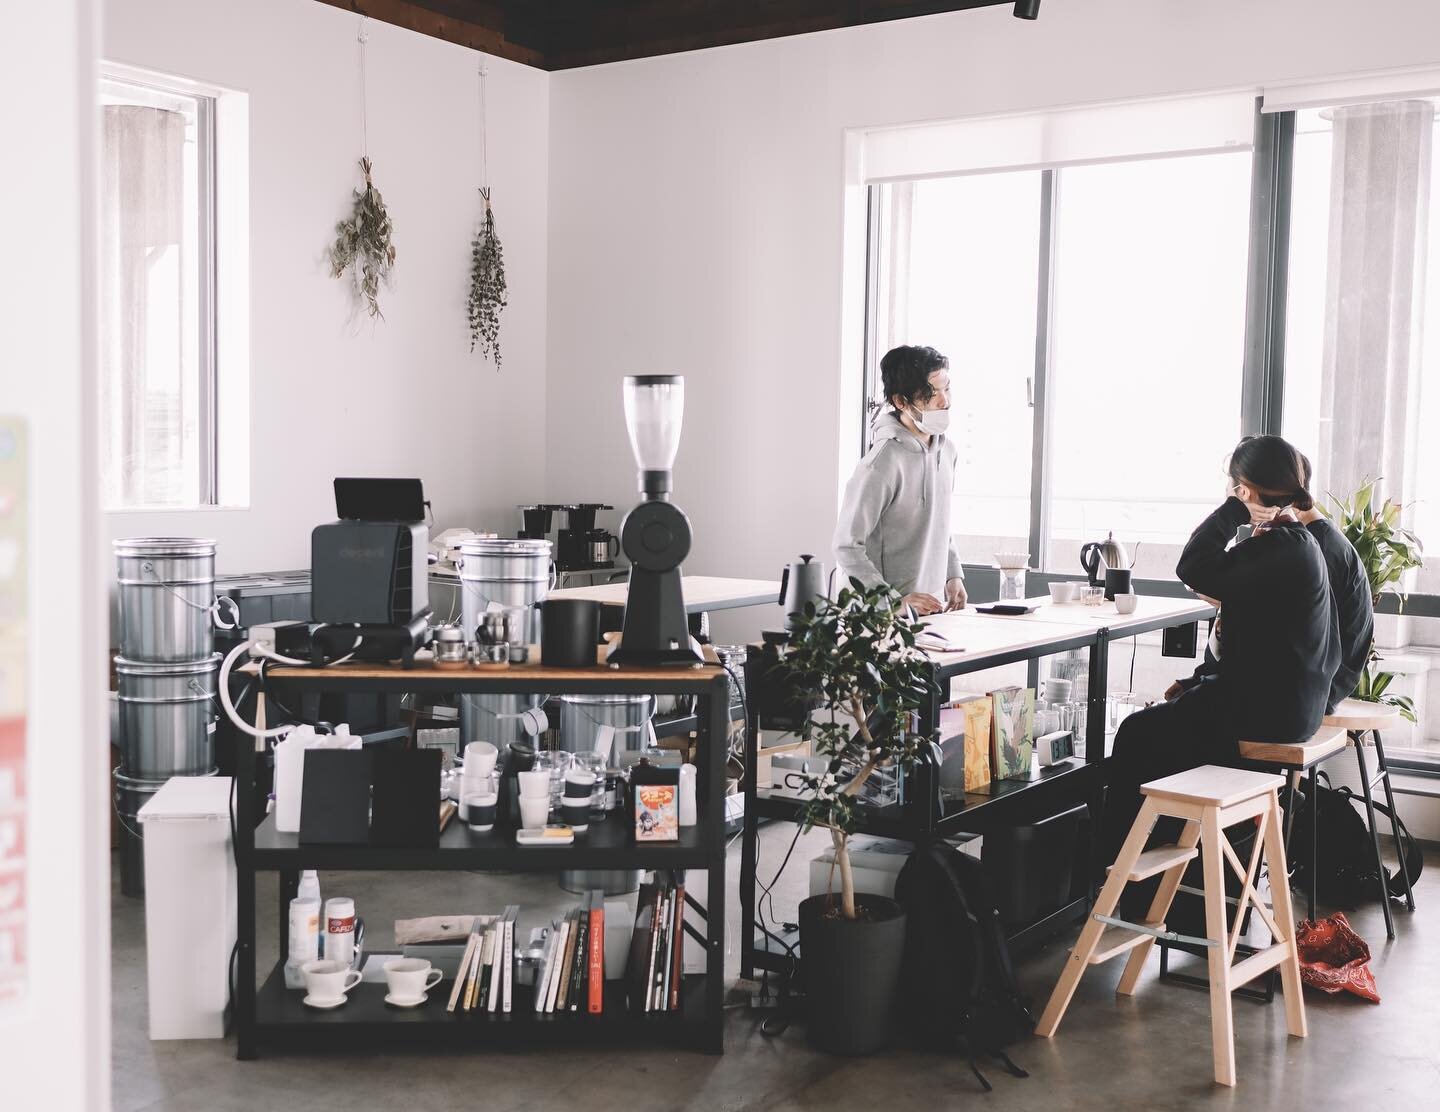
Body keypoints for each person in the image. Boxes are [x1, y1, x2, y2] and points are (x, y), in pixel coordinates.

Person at [1102, 435, 1340, 864]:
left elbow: (1192, 565)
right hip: (1291, 707)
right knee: (1163, 725)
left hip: (1265, 711)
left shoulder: (1280, 546)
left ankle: (1118, 868)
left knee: (1135, 733)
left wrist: (1234, 508)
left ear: (1244, 486)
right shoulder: (1295, 544)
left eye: (1234, 485)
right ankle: (1160, 855)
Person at [1163, 448, 1373, 713]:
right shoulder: (1301, 539)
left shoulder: (1315, 545)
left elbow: (1300, 636)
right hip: (1299, 689)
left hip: (1313, 693)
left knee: (1139, 731)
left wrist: (1231, 599)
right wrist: (1198, 680)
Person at [834, 345, 967, 615]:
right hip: (877, 622)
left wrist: (953, 574)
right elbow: (847, 545)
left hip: (931, 613)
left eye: (947, 389)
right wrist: (892, 602)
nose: (945, 402)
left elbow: (938, 520)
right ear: (901, 401)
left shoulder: (948, 451)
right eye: (931, 394)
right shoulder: (881, 463)